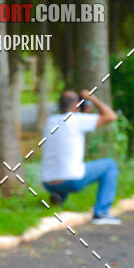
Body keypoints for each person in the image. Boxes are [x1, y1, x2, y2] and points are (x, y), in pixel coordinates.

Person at [40, 89, 121, 224]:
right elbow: (111, 116)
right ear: (76, 105)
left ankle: (58, 196)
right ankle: (101, 213)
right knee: (110, 165)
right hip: (72, 181)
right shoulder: (78, 120)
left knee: (65, 166)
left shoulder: (50, 121)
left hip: (47, 182)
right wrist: (92, 98)